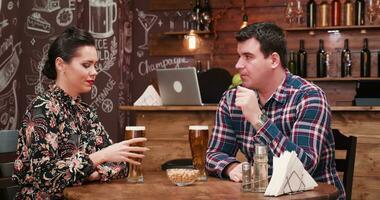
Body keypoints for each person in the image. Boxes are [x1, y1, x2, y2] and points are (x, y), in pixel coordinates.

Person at [205, 22, 345, 199]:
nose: (238, 64)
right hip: (260, 195)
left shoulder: (309, 97)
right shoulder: (232, 98)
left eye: (248, 57)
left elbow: (303, 167)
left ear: (273, 60)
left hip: (312, 197)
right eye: (239, 56)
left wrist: (258, 119)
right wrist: (230, 167)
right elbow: (213, 154)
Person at [12, 27, 149, 199]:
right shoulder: (42, 108)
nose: (94, 72)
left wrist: (92, 173)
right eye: (86, 65)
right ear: (60, 64)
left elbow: (121, 164)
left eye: (95, 65)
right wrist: (99, 157)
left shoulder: (86, 112)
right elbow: (45, 176)